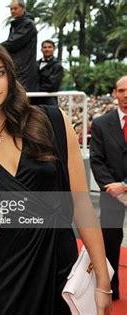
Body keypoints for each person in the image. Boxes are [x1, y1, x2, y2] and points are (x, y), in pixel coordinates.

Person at [0, 37, 112, 314]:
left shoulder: (52, 121)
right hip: (2, 277)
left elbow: (82, 206)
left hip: (60, 271)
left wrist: (103, 280)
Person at [90, 75, 127, 301]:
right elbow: (97, 160)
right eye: (121, 91)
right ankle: (110, 287)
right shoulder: (101, 124)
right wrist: (111, 187)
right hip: (110, 193)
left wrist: (124, 186)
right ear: (114, 93)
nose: (126, 96)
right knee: (110, 242)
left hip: (120, 187)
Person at [1, 0, 38, 92]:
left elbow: (13, 43)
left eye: (15, 8)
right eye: (11, 9)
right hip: (18, 67)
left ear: (23, 8)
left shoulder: (27, 24)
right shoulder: (16, 24)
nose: (12, 11)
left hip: (24, 68)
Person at [33, 39, 64, 106]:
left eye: (49, 47)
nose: (47, 49)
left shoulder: (57, 66)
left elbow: (52, 85)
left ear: (54, 49)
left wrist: (34, 90)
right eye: (45, 47)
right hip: (34, 100)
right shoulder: (35, 64)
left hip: (49, 100)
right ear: (41, 49)